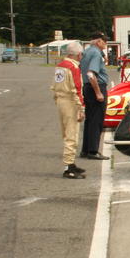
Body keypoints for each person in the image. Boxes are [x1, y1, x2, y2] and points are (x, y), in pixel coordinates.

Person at [51, 42, 86, 178]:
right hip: (71, 101)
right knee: (72, 135)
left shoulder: (60, 66)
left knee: (66, 132)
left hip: (61, 100)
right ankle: (68, 167)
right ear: (78, 54)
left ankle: (71, 163)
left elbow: (54, 85)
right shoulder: (73, 67)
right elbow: (77, 89)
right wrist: (81, 108)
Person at [80, 31, 111, 160]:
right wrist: (98, 92)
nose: (106, 43)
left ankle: (86, 149)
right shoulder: (96, 54)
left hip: (87, 87)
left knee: (89, 119)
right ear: (98, 41)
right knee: (96, 120)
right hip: (95, 87)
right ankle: (93, 150)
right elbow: (91, 74)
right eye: (104, 41)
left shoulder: (87, 51)